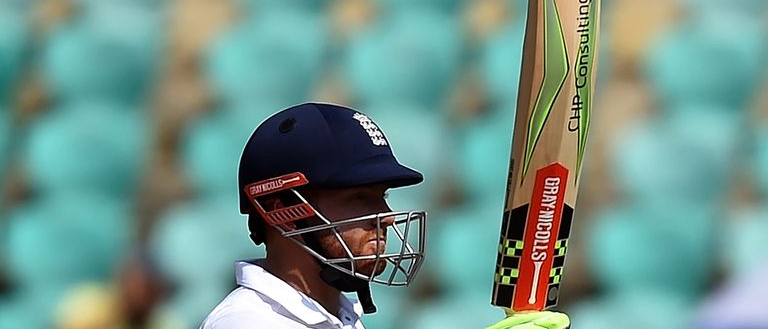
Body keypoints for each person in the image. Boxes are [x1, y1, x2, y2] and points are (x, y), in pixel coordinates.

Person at [200, 102, 570, 329]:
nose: (388, 217)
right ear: (283, 212)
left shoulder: (339, 315)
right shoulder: (246, 322)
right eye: (360, 198)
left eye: (383, 196)